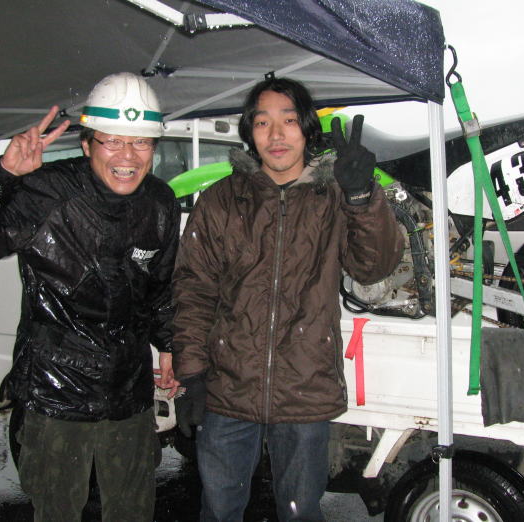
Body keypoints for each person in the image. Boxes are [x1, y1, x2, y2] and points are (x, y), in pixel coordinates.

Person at [0, 72, 180, 522]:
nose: (128, 156)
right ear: (87, 144)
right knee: (57, 511)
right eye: (113, 141)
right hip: (56, 392)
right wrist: (2, 174)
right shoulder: (47, 191)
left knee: (133, 509)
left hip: (128, 391)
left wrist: (169, 344)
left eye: (142, 142)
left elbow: (161, 284)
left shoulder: (159, 202)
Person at [171, 76, 404, 521]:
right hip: (227, 388)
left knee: (300, 512)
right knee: (218, 510)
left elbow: (373, 267)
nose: (276, 135)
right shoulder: (221, 201)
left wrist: (361, 197)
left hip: (305, 387)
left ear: (307, 129)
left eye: (289, 121)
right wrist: (193, 375)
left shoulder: (333, 197)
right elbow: (193, 290)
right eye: (263, 122)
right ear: (250, 132)